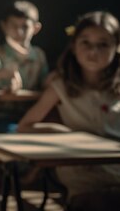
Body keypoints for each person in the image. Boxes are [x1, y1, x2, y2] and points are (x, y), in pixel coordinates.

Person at [17, 11, 120, 210]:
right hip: (83, 173)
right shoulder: (61, 86)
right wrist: (66, 134)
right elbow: (25, 126)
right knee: (94, 202)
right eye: (86, 43)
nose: (93, 51)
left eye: (103, 44)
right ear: (73, 46)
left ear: (116, 47)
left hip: (116, 169)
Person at [0, 0, 48, 92]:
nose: (19, 32)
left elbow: (45, 84)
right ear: (4, 26)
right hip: (2, 106)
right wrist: (1, 74)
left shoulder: (39, 55)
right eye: (13, 26)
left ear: (36, 28)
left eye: (25, 27)